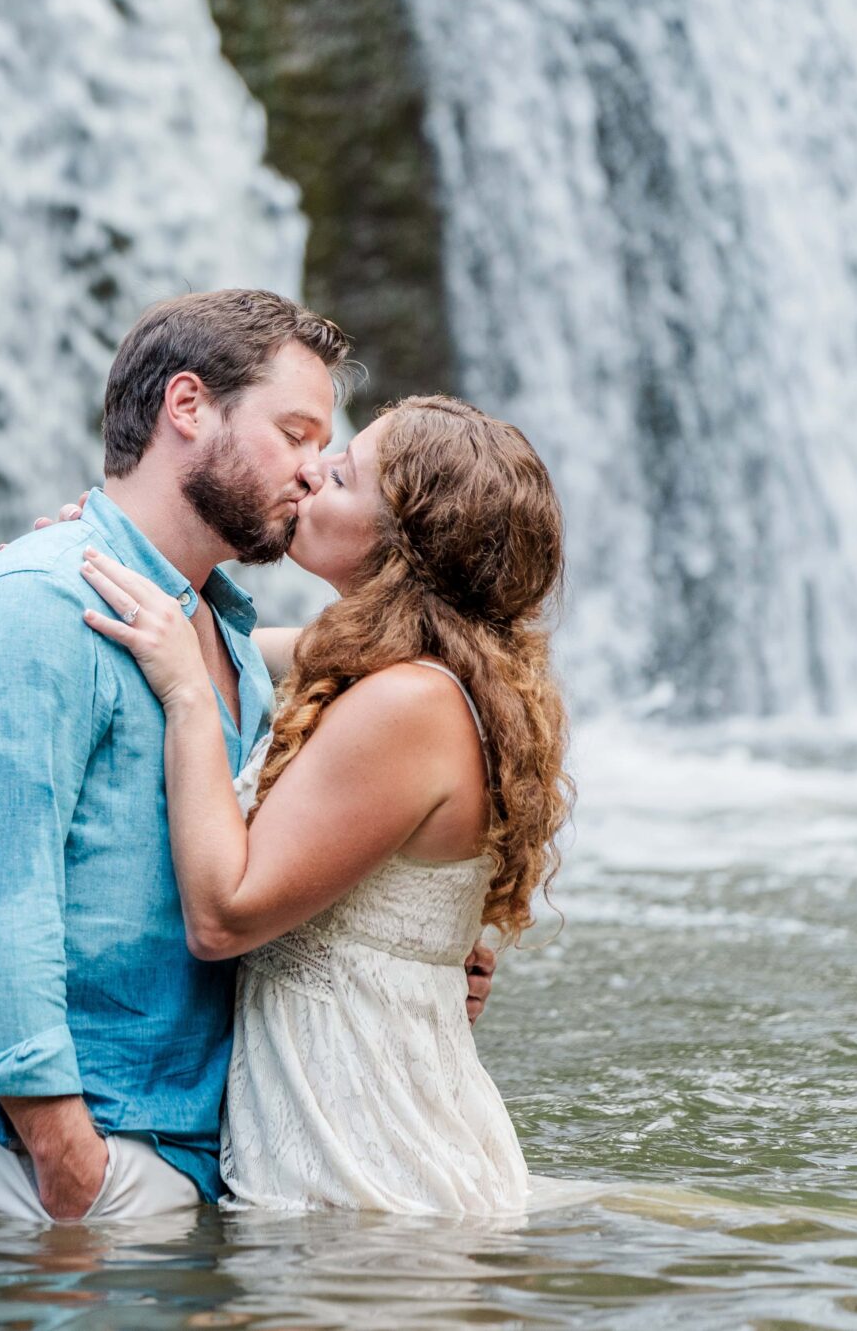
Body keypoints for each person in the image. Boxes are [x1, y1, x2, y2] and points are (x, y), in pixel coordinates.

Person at [0, 290, 491, 1223]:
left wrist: (420, 955)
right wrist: (67, 1161)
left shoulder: (216, 626)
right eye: (296, 433)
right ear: (188, 407)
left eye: (326, 448)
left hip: (198, 1149)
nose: (313, 471)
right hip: (72, 1156)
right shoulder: (38, 605)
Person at [79, 395, 570, 1212]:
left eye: (340, 475)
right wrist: (109, 547)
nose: (310, 470)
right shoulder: (416, 666)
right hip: (361, 1156)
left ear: (405, 543)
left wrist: (188, 699)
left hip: (370, 1180)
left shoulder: (407, 703)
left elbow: (224, 915)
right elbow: (216, 638)